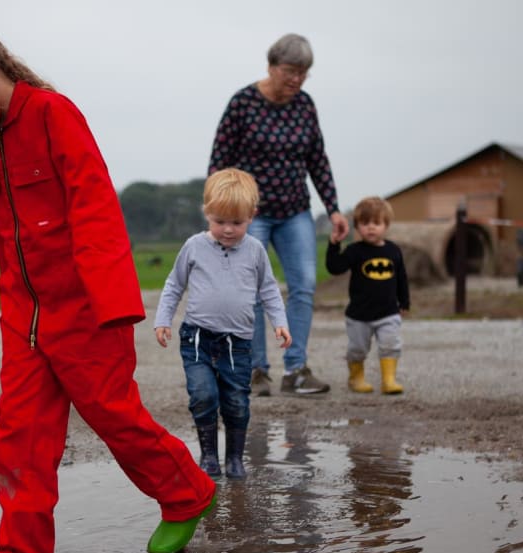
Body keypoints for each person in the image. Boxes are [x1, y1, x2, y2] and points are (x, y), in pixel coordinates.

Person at [0, 26, 216, 553]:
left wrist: (116, 305)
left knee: (114, 416)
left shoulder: (53, 114)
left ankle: (186, 494)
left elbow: (95, 205)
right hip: (25, 317)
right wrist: (13, 309)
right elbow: (9, 243)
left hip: (85, 309)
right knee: (20, 433)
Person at [208, 33, 349, 398]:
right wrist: (219, 212)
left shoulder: (305, 106)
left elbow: (317, 159)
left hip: (295, 211)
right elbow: (219, 160)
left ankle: (297, 370)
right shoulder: (243, 103)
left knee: (303, 286)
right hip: (249, 216)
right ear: (271, 66)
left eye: (304, 73)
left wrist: (333, 208)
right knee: (251, 290)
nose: (297, 79)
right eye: (290, 71)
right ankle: (255, 371)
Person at [154, 168, 291, 479]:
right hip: (198, 338)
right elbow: (174, 284)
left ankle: (235, 459)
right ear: (207, 213)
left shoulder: (255, 250)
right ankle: (209, 457)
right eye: (220, 222)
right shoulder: (193, 247)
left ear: (252, 216)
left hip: (238, 343)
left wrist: (279, 322)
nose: (228, 230)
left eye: (237, 223)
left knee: (236, 402)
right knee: (203, 395)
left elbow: (268, 289)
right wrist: (163, 319)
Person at [325, 196, 409, 394]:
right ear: (356, 227)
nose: (371, 228)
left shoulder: (393, 251)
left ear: (386, 225)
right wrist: (334, 244)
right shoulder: (355, 251)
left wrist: (404, 301)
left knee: (391, 345)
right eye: (365, 223)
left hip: (388, 313)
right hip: (359, 315)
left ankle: (389, 380)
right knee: (358, 350)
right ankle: (356, 378)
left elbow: (402, 278)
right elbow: (334, 267)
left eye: (376, 223)